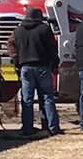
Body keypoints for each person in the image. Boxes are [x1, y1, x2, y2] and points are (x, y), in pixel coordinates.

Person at [12, 7, 62, 136]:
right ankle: (52, 127)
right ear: (38, 17)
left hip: (25, 68)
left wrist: (15, 58)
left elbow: (10, 43)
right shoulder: (44, 29)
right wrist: (55, 63)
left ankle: (27, 128)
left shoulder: (18, 31)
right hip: (42, 67)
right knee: (47, 98)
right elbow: (52, 48)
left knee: (27, 100)